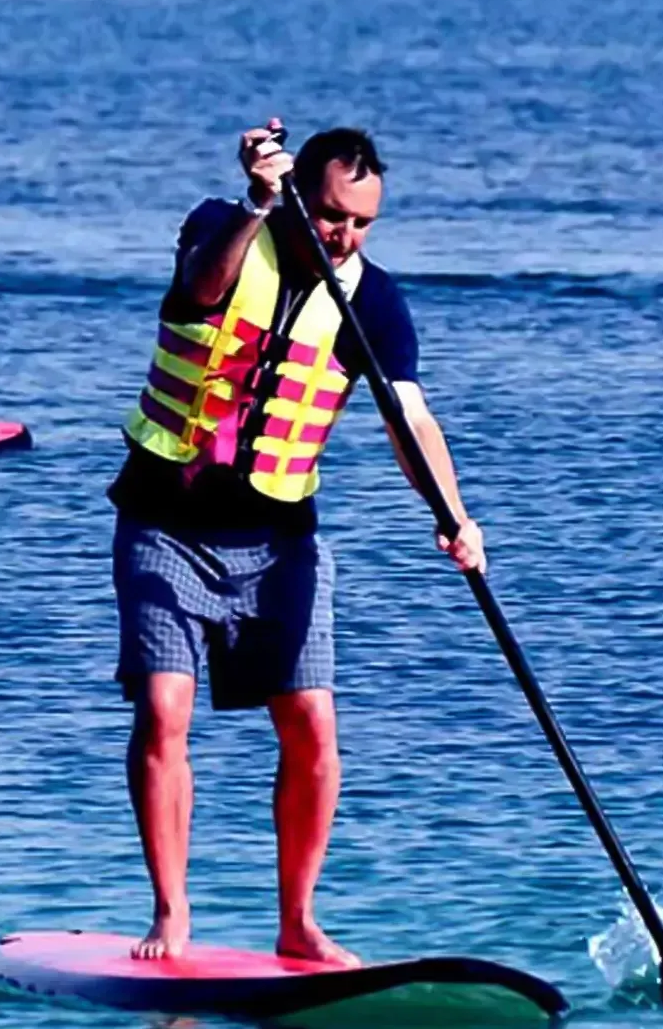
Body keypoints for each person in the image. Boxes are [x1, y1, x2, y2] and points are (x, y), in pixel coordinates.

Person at [108, 119, 487, 963]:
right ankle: (171, 913)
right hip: (165, 522)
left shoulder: (375, 300)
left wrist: (453, 516)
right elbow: (203, 290)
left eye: (360, 222)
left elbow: (409, 419)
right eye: (328, 215)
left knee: (312, 722)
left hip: (282, 539)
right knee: (165, 709)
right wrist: (258, 204)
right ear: (295, 197)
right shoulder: (221, 227)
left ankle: (298, 920)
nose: (343, 235)